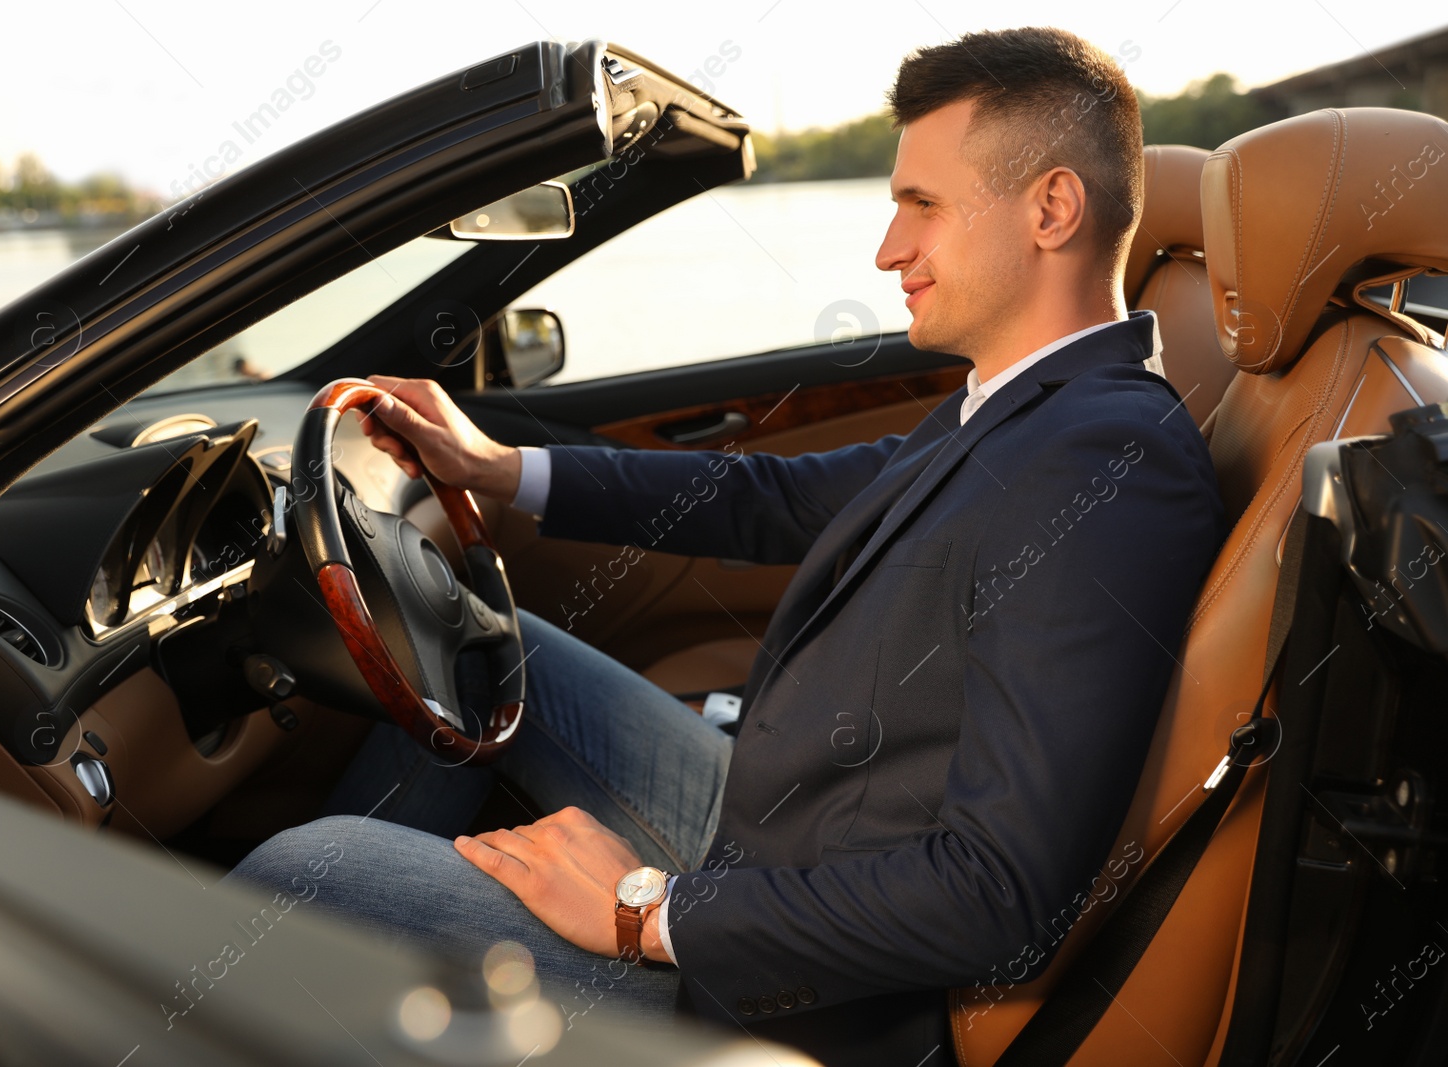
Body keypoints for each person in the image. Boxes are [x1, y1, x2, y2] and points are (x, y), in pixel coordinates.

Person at [228, 26, 1227, 1066]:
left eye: (920, 204)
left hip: (809, 991)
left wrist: (642, 908)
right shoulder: (1021, 403)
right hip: (789, 819)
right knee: (483, 642)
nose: (889, 248)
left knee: (302, 870)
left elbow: (996, 894)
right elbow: (772, 494)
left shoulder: (1103, 463)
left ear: (1052, 209)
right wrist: (497, 466)